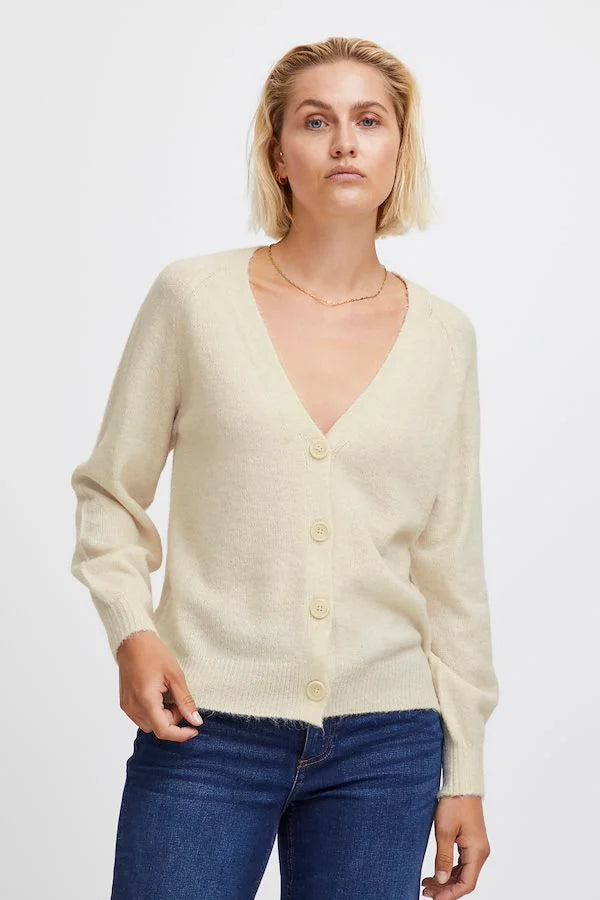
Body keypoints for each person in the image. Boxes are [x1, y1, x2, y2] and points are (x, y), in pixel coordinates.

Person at [70, 36, 499, 900]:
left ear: (398, 151)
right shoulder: (194, 300)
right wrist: (132, 629)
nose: (344, 142)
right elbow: (110, 492)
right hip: (205, 725)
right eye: (315, 121)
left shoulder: (445, 338)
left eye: (369, 121)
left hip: (388, 743)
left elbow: (450, 565)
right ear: (278, 155)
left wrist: (465, 770)